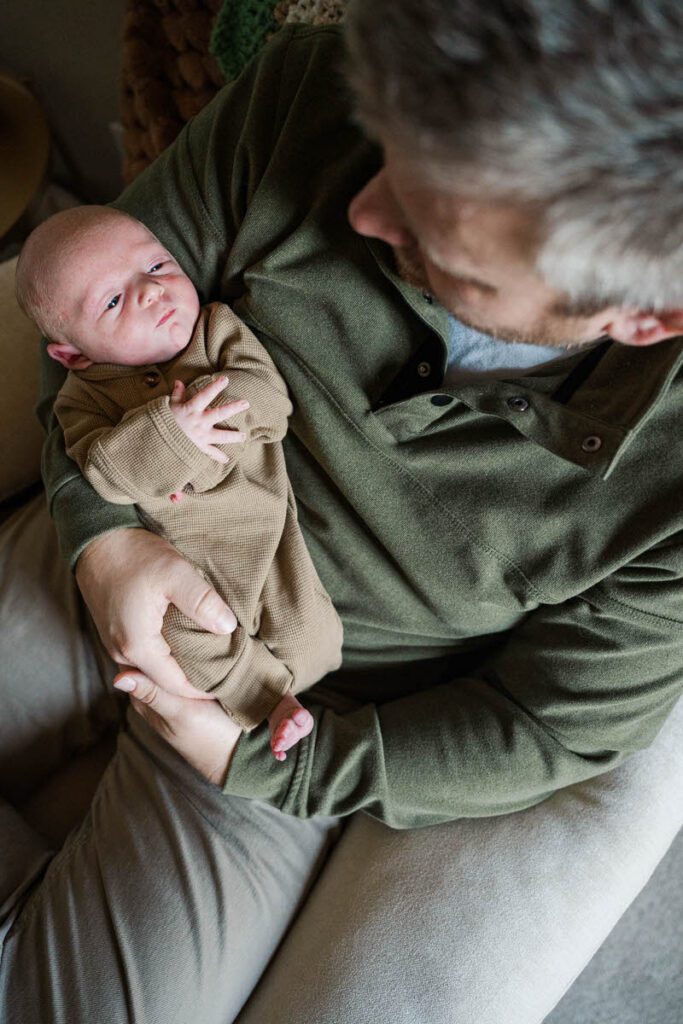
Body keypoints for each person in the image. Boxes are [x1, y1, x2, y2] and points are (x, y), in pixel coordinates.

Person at [1, 2, 682, 1021]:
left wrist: (281, 765)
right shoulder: (319, 87)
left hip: (281, 705)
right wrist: (104, 543)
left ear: (641, 320)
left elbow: (543, 730)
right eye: (383, 157)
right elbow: (93, 315)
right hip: (140, 524)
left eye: (432, 236)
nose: (361, 214)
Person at [15, 205, 343, 760]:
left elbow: (271, 401)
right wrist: (173, 434)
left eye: (158, 265)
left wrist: (209, 428)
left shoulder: (215, 331)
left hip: (264, 534)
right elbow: (107, 474)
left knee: (312, 635)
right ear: (73, 356)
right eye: (114, 301)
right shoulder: (81, 400)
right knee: (189, 638)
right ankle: (266, 701)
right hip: (177, 562)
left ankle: (293, 687)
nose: (150, 291)